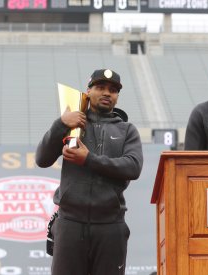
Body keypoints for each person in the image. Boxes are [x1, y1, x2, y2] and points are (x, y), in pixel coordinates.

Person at [36, 69, 143, 275]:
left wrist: (89, 160)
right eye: (100, 87)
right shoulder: (71, 123)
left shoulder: (127, 130)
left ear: (117, 96)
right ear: (88, 91)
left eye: (113, 90)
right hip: (70, 223)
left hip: (110, 225)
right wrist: (60, 124)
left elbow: (133, 167)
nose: (106, 93)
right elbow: (42, 159)